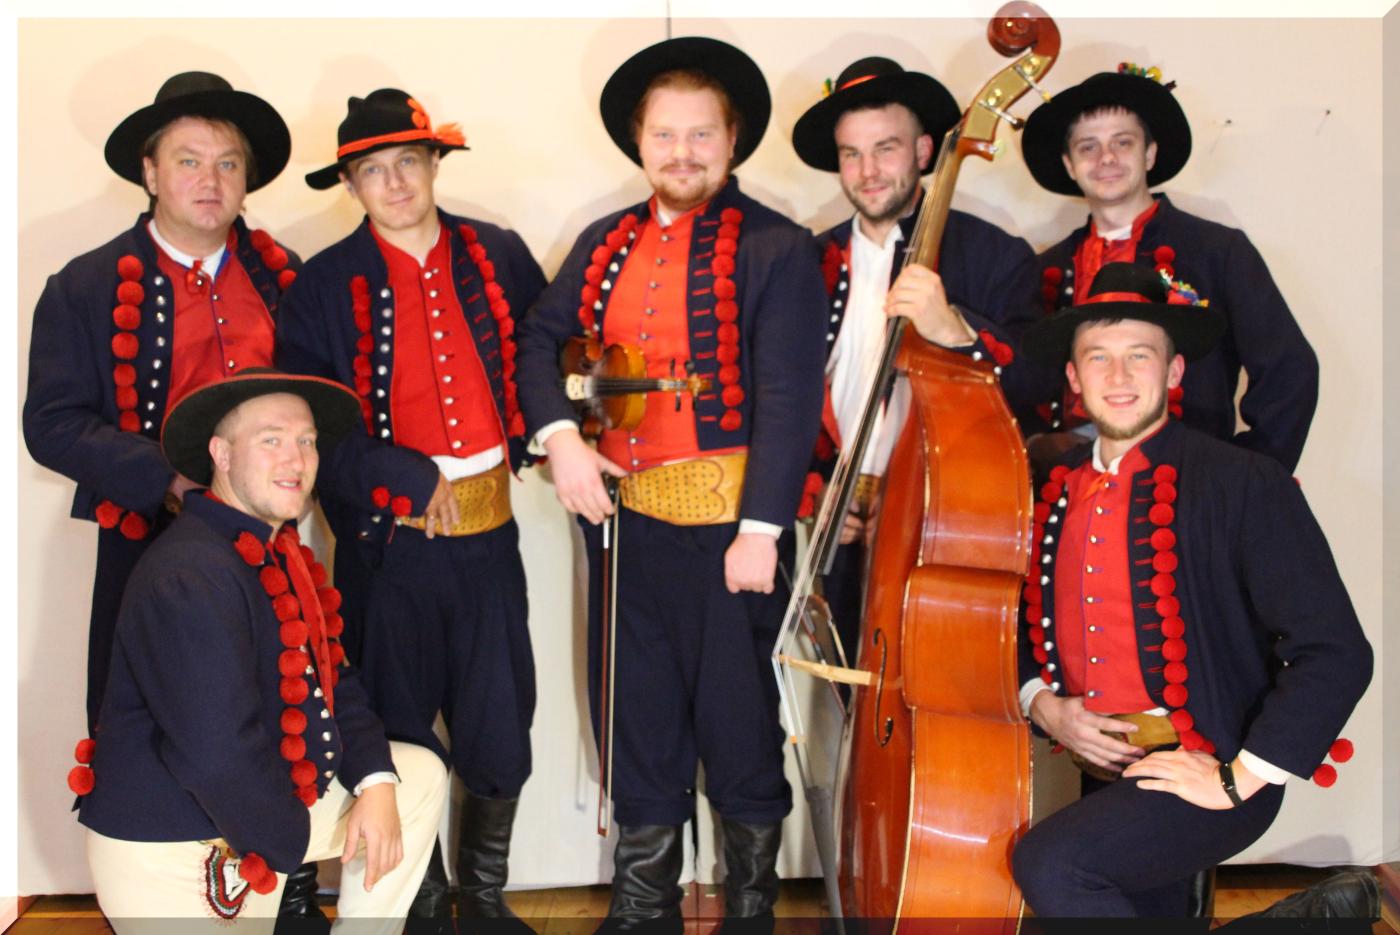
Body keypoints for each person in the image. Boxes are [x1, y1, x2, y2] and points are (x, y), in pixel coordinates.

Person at [515, 37, 826, 930]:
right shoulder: (605, 241)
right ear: (639, 141)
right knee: (637, 720)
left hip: (732, 534)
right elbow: (539, 339)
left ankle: (750, 912)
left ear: (732, 140)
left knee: (738, 725)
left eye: (700, 135)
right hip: (627, 528)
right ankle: (643, 908)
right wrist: (562, 441)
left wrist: (763, 530)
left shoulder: (776, 246)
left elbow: (790, 397)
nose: (681, 153)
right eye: (664, 135)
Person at [1009, 262, 1372, 919]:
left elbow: (1337, 650)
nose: (1118, 376)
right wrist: (1045, 705)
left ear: (1174, 372)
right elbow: (1011, 624)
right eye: (1098, 357)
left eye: (1139, 355)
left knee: (1050, 865)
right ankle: (1318, 918)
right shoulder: (1051, 490)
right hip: (1107, 772)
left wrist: (1239, 777)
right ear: (1073, 378)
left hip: (1210, 766)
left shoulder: (1242, 481)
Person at [276, 88, 546, 931]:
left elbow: (542, 358)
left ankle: (485, 899)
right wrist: (404, 476)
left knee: (500, 720)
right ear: (350, 184)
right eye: (372, 171)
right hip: (385, 549)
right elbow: (312, 425)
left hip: (490, 537)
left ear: (433, 164)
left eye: (407, 163)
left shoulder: (498, 252)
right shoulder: (322, 285)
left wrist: (559, 432)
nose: (393, 183)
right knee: (395, 724)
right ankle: (423, 902)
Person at [74, 369, 448, 933]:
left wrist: (375, 783)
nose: (296, 459)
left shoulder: (275, 552)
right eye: (271, 439)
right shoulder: (190, 573)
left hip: (250, 813)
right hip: (173, 846)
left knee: (415, 776)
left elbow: (333, 680)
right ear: (221, 455)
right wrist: (290, 845)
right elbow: (215, 755)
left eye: (307, 441)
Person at [24, 70, 296, 736]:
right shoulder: (85, 285)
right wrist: (169, 480)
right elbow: (51, 424)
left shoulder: (286, 277)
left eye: (228, 163)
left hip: (269, 542)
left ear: (246, 179)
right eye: (188, 161)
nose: (211, 180)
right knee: (144, 726)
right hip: (146, 542)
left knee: (270, 720)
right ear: (150, 173)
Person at [790, 55, 1052, 657]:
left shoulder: (994, 254)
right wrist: (819, 490)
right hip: (844, 521)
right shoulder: (807, 262)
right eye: (852, 154)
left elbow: (1039, 382)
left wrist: (956, 329)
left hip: (949, 519)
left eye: (886, 149)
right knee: (854, 690)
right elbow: (784, 394)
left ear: (925, 150)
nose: (868, 171)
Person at [1020, 64, 1317, 472]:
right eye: (1088, 147)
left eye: (1123, 142)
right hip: (1070, 484)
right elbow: (1020, 379)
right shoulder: (1043, 269)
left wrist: (1247, 475)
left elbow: (1290, 371)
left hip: (1186, 478)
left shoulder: (1217, 250)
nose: (1106, 158)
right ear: (1070, 165)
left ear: (1150, 154)